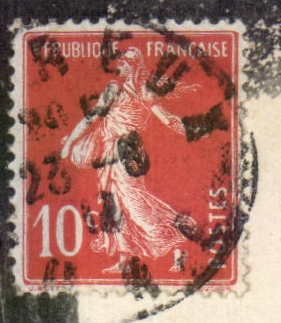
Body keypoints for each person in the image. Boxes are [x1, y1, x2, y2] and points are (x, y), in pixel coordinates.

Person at [60, 47, 194, 272]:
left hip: (122, 155)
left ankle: (177, 247)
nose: (119, 66)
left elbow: (90, 118)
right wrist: (191, 129)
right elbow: (168, 120)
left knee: (134, 205)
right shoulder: (145, 93)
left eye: (123, 62)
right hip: (121, 153)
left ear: (131, 66)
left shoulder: (118, 90)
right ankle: (124, 260)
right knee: (115, 205)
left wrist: (67, 145)